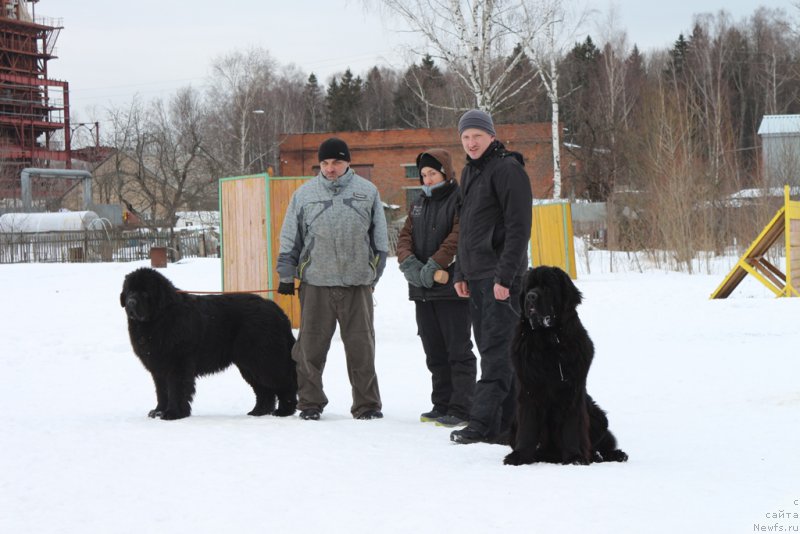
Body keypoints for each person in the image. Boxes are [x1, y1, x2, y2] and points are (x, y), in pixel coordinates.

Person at [276, 137, 389, 421]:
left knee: (361, 348)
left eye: (337, 162)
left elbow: (380, 242)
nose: (330, 168)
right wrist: (287, 274)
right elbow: (291, 238)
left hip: (356, 285)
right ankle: (310, 403)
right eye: (325, 163)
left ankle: (367, 405)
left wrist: (371, 275)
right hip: (316, 284)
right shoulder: (304, 195)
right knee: (309, 349)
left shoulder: (368, 192)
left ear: (348, 162)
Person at [449, 109, 533, 445]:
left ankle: (481, 423)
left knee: (497, 352)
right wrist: (460, 270)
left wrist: (505, 276)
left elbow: (519, 228)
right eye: (466, 138)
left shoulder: (507, 169)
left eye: (477, 136)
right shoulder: (471, 173)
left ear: (491, 136)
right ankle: (506, 423)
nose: (471, 143)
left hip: (501, 278)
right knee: (492, 350)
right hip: (477, 276)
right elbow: (465, 227)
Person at [397, 149, 477, 428]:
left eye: (432, 173)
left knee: (457, 350)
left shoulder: (459, 199)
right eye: (423, 175)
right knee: (434, 351)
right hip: (422, 291)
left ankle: (462, 406)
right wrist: (408, 262)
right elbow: (405, 235)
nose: (427, 179)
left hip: (451, 288)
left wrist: (434, 264)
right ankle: (441, 403)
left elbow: (458, 236)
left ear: (445, 172)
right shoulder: (419, 202)